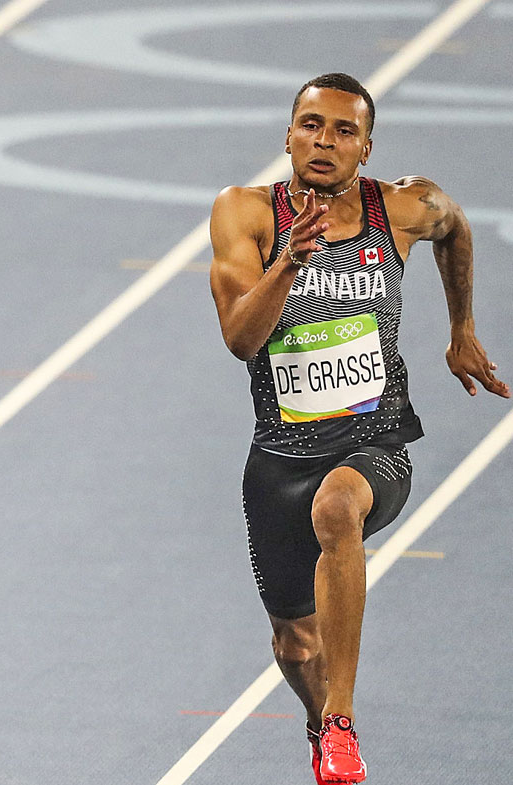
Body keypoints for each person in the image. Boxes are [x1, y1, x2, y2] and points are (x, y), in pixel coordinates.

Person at [208, 72, 508, 784]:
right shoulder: (245, 214)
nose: (325, 140)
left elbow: (456, 226)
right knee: (292, 643)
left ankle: (341, 722)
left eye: (345, 130)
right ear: (288, 135)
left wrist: (461, 327)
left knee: (338, 509)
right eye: (311, 124)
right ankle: (319, 722)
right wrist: (289, 263)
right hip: (279, 456)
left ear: (366, 148)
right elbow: (241, 340)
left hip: (374, 443)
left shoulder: (402, 207)